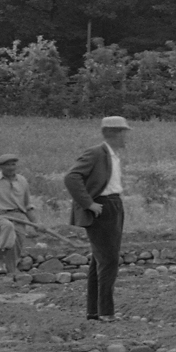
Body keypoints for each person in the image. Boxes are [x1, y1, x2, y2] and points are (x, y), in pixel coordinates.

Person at [62, 115, 132, 321]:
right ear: (114, 134)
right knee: (109, 260)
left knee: (99, 260)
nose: (126, 138)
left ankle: (95, 311)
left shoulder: (113, 155)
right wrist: (89, 203)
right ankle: (106, 312)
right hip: (102, 206)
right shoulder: (96, 153)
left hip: (114, 204)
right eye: (124, 133)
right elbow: (71, 177)